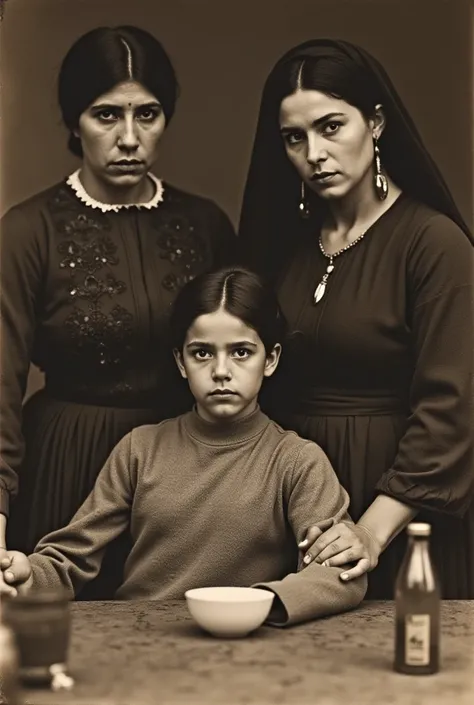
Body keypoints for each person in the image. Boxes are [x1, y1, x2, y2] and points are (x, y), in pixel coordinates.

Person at [0, 26, 235, 597]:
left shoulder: (206, 225)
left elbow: (245, 355)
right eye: (106, 116)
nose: (129, 138)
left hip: (187, 471)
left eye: (147, 115)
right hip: (68, 466)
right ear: (73, 121)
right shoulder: (29, 231)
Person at [238, 39, 474, 599]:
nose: (314, 153)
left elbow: (453, 410)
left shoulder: (435, 244)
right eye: (294, 137)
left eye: (331, 127)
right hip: (296, 506)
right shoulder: (285, 247)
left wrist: (369, 532)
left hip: (401, 512)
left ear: (375, 123)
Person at [0, 267, 366, 626]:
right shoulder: (139, 449)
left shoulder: (297, 461)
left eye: (241, 352)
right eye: (202, 353)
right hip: (141, 639)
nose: (221, 371)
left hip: (249, 645)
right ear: (180, 361)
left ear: (270, 360)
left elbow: (340, 573)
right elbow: (70, 560)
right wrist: (26, 576)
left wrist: (261, 605)